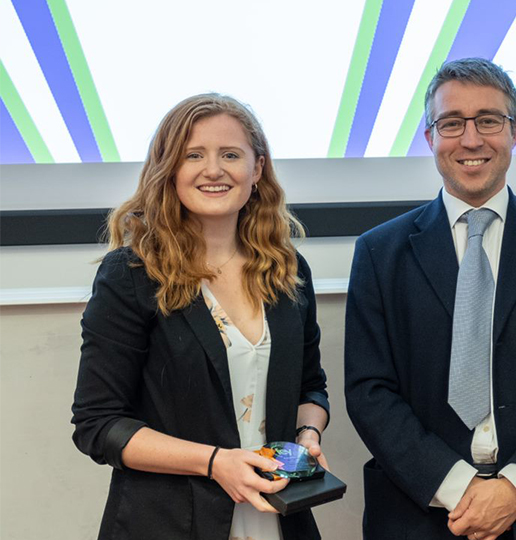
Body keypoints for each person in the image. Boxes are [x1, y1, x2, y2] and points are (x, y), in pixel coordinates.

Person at [344, 58, 516, 540]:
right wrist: (460, 487)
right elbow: (369, 392)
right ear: (429, 138)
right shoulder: (380, 253)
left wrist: (513, 489)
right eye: (451, 123)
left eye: (488, 120)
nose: (470, 139)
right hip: (418, 514)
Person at [71, 94, 330, 540]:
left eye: (230, 154)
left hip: (278, 517)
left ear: (258, 169)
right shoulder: (131, 275)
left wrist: (306, 436)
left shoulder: (288, 271)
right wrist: (216, 463)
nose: (214, 170)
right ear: (169, 170)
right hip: (169, 522)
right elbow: (99, 424)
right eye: (193, 155)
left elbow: (311, 386)